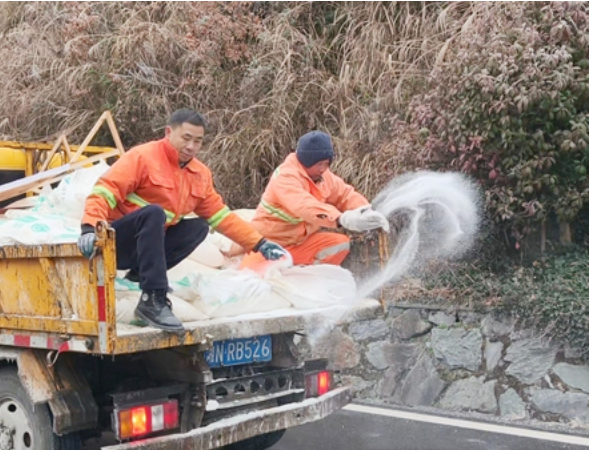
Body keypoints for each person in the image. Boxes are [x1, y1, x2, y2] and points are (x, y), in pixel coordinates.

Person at [78, 109, 288, 331]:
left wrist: (259, 243)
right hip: (117, 243)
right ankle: (153, 299)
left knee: (198, 227)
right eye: (186, 138)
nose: (191, 146)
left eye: (198, 141)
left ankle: (142, 274)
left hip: (148, 249)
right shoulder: (142, 157)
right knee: (154, 213)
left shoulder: (199, 174)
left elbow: (221, 215)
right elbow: (105, 192)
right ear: (168, 132)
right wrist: (89, 228)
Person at [240, 130, 389, 271]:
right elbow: (304, 206)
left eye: (327, 163)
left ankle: (306, 277)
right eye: (319, 164)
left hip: (300, 244)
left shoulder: (323, 176)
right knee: (252, 275)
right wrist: (340, 219)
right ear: (306, 161)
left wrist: (365, 211)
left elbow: (345, 194)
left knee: (341, 244)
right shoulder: (286, 177)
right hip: (267, 244)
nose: (323, 169)